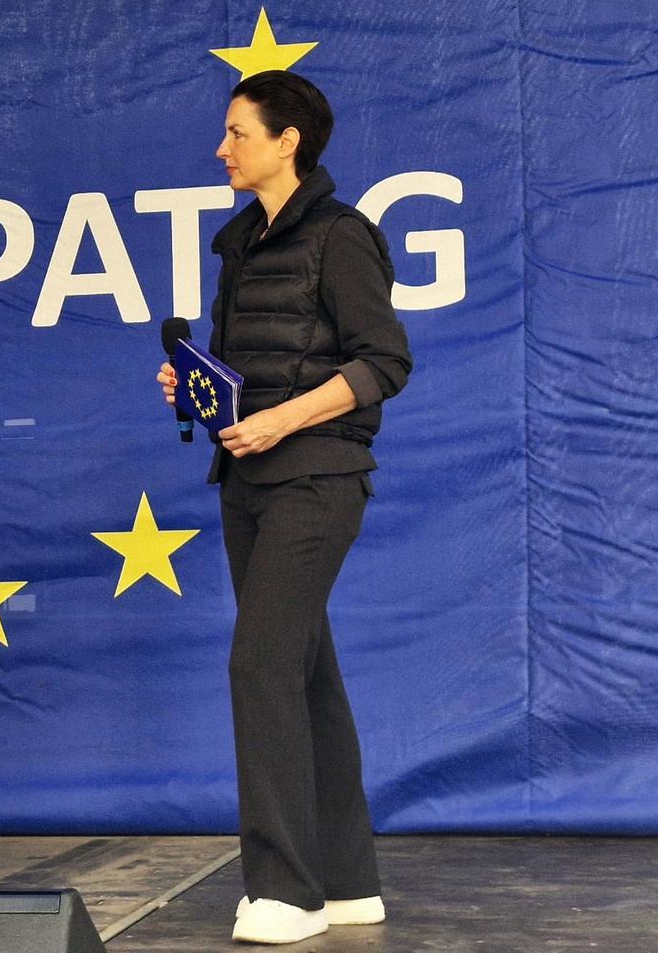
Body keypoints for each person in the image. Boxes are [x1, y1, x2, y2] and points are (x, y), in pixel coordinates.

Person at [157, 70, 412, 945]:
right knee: (305, 674)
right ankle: (345, 883)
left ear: (286, 140)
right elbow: (250, 369)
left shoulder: (342, 236)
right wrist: (196, 386)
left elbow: (384, 362)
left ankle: (284, 890)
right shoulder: (239, 243)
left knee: (260, 665)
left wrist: (282, 420)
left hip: (317, 479)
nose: (221, 148)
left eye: (237, 132)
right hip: (247, 484)